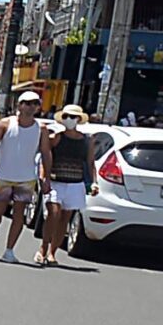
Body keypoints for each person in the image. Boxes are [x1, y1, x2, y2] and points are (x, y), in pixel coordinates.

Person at [0, 89, 48, 261]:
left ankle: (9, 250)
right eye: (26, 103)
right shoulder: (5, 124)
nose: (30, 107)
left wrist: (46, 176)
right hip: (3, 175)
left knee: (19, 213)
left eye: (34, 103)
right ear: (19, 105)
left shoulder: (41, 128)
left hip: (26, 178)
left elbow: (46, 153)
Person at [38, 102, 95, 266]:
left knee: (65, 218)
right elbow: (46, 157)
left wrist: (94, 182)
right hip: (56, 181)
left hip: (75, 184)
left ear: (79, 119)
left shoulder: (87, 141)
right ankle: (43, 247)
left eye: (73, 117)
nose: (69, 119)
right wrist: (45, 177)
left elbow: (90, 162)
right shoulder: (56, 137)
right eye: (66, 116)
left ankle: (52, 253)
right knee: (53, 213)